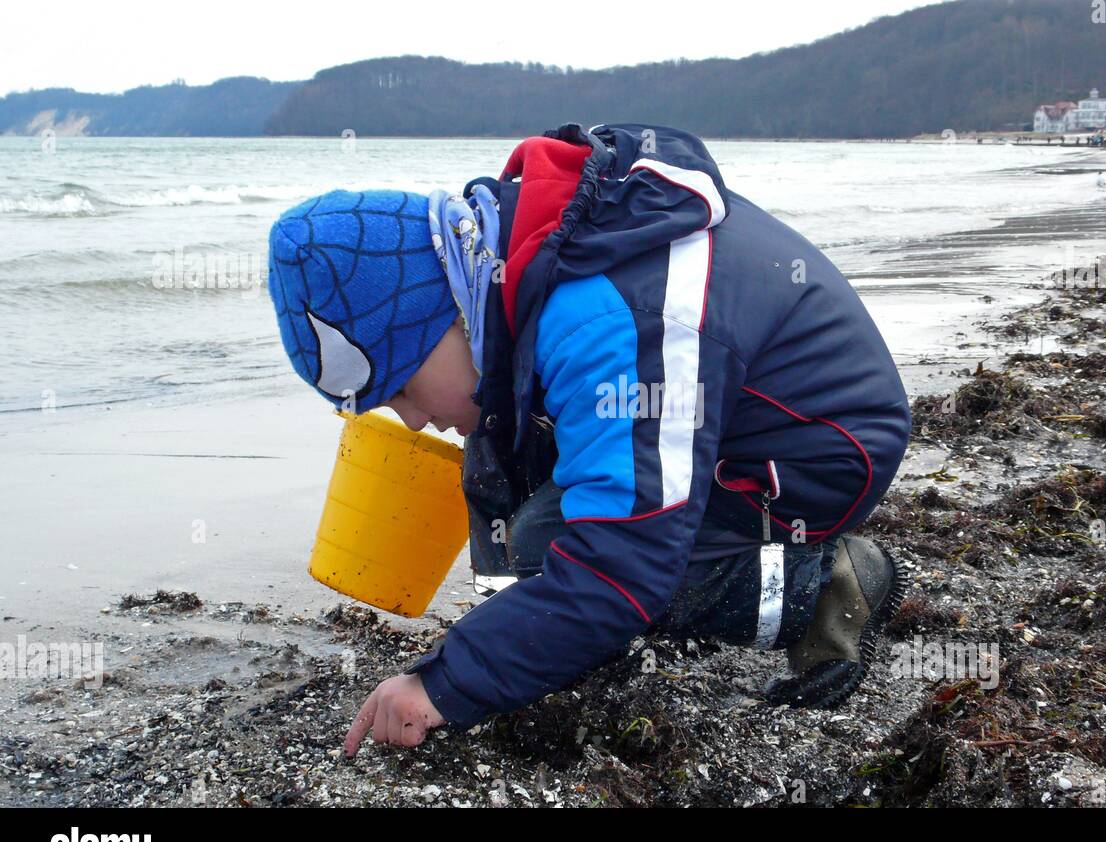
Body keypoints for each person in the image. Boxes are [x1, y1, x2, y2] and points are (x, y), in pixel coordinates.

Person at [265, 123, 913, 754]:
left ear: (443, 317)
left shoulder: (603, 318)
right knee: (546, 535)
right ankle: (680, 585)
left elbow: (619, 560)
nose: (408, 419)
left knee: (598, 559)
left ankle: (828, 585)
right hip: (739, 417)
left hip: (820, 445)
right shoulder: (516, 260)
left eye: (401, 387)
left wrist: (442, 683)